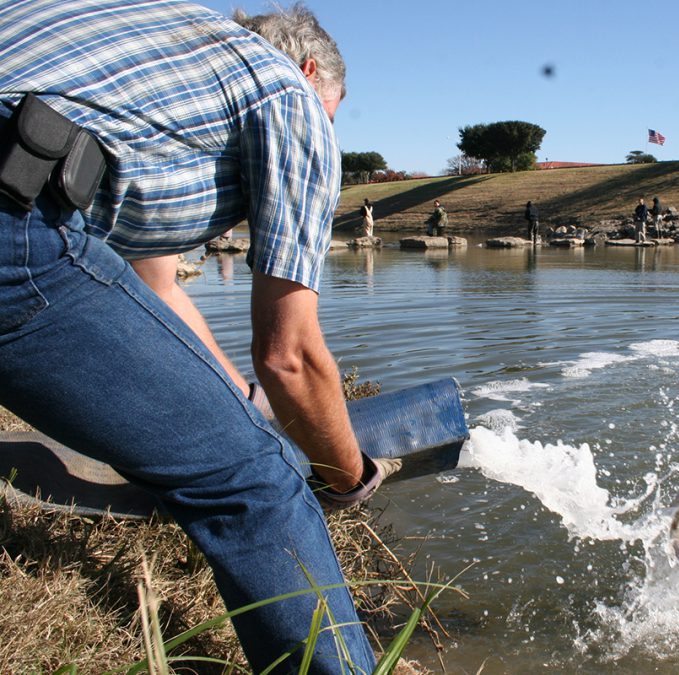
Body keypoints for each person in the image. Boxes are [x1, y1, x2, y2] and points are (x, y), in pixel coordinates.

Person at [0, 2, 392, 671]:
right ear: (308, 68)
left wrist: (232, 405)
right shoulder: (287, 93)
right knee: (259, 482)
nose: (326, 134)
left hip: (28, 176)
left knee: (233, 441)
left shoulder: (161, 43)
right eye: (335, 114)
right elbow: (289, 355)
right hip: (15, 211)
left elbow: (155, 289)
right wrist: (349, 476)